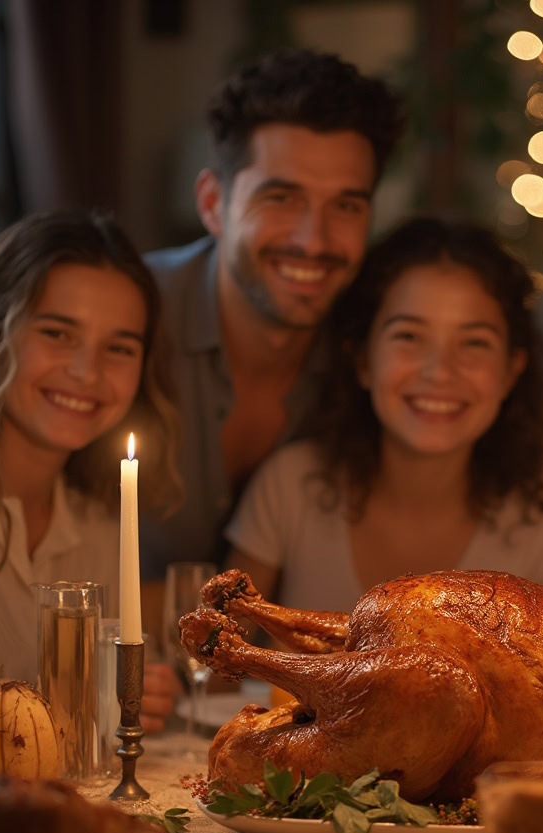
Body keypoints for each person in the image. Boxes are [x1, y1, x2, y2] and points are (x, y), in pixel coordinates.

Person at [225, 216, 543, 616]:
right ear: (362, 359)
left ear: (511, 371)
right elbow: (216, 638)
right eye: (409, 336)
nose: (439, 371)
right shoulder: (292, 485)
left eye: (474, 343)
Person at [139, 49, 404, 591]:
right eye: (281, 198)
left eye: (346, 207)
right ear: (213, 203)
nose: (314, 240)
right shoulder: (128, 319)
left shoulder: (381, 351)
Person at [0, 210, 180, 731]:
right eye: (58, 333)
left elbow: (85, 720)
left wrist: (120, 698)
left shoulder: (99, 525)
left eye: (119, 347)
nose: (87, 372)